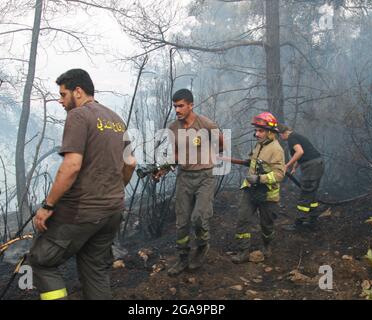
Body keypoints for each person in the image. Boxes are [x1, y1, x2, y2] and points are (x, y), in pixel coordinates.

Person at [27, 69, 136, 300]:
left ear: (78, 91)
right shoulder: (116, 120)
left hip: (81, 212)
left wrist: (47, 206)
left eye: (63, 94)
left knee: (41, 261)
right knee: (95, 270)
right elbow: (131, 163)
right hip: (112, 211)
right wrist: (114, 192)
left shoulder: (78, 115)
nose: (60, 99)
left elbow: (72, 166)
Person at [154, 89, 224, 276]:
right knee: (182, 222)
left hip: (204, 177)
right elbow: (176, 154)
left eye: (181, 105)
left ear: (191, 105)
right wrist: (163, 169)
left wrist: (208, 153)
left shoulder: (206, 124)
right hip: (184, 177)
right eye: (175, 106)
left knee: (199, 217)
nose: (177, 109)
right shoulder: (173, 128)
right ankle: (183, 258)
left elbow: (222, 144)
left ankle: (202, 246)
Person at [231, 112, 285, 263]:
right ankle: (243, 252)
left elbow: (279, 175)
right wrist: (249, 162)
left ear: (270, 132)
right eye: (256, 130)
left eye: (260, 131)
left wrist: (259, 178)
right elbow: (257, 162)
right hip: (250, 190)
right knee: (243, 220)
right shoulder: (259, 144)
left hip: (268, 194)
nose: (257, 134)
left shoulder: (276, 149)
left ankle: (267, 245)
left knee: (267, 225)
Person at [278, 124, 324, 231]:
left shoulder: (291, 138)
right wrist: (295, 167)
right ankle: (313, 221)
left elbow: (300, 152)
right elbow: (304, 153)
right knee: (311, 194)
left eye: (279, 135)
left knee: (306, 192)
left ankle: (299, 224)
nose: (280, 138)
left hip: (312, 166)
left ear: (283, 133)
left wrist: (287, 165)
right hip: (317, 164)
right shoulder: (296, 136)